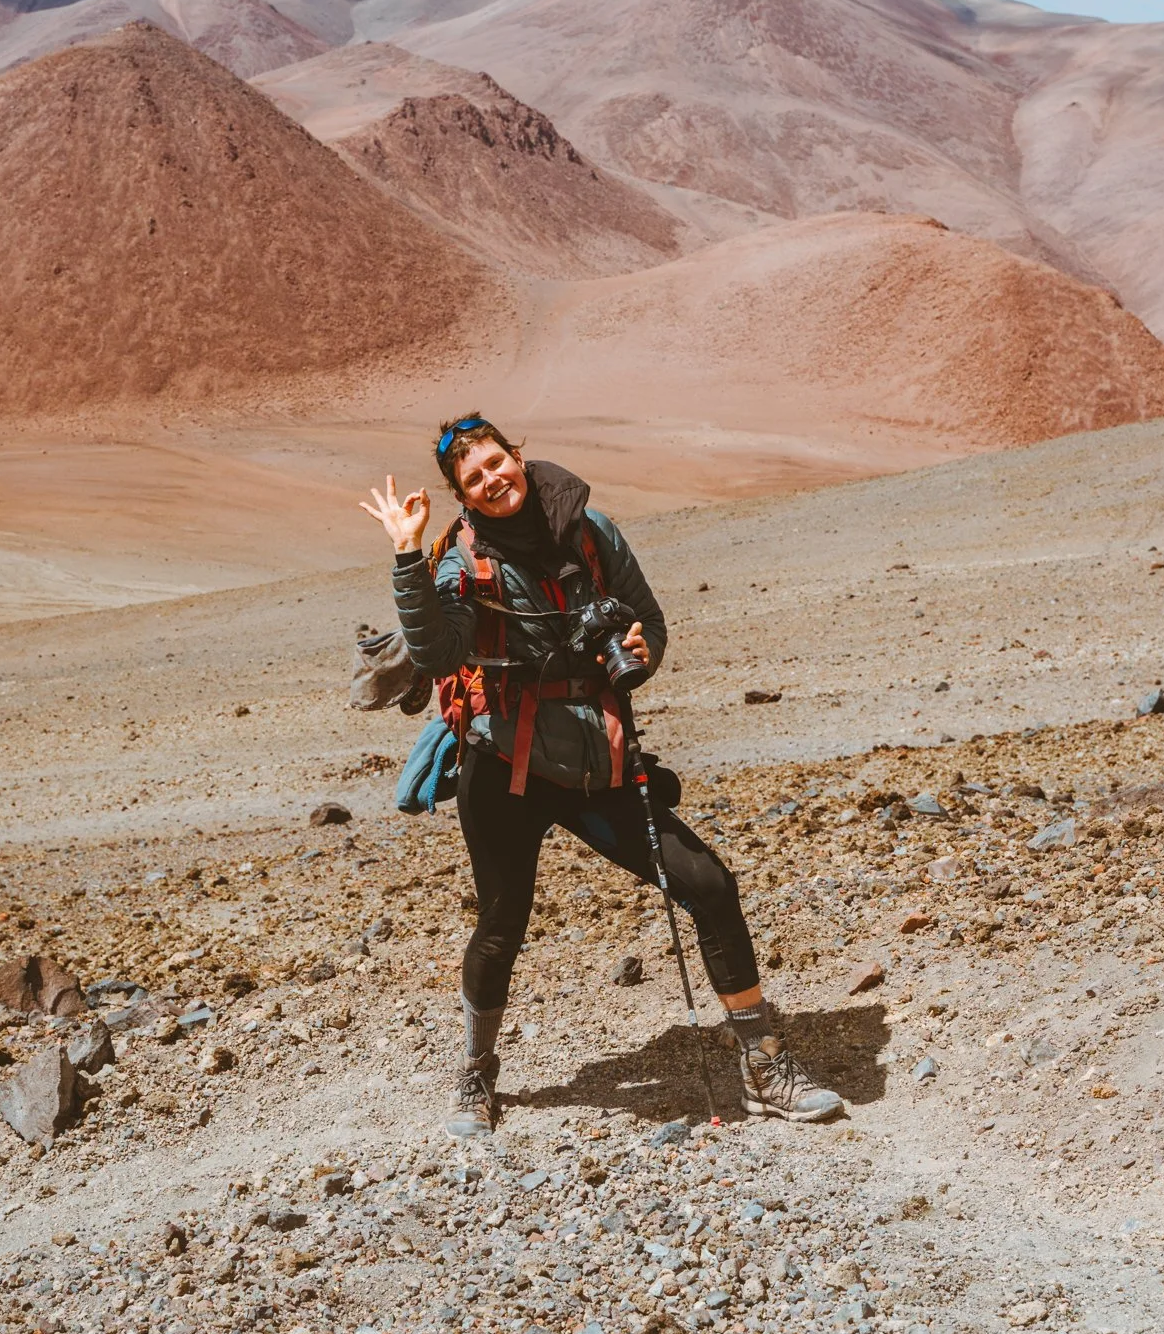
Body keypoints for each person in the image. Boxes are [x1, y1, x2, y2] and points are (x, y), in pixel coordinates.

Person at [361, 415, 844, 1138]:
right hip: (504, 768)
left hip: (597, 760)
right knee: (500, 926)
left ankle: (762, 1063)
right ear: (461, 495)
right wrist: (408, 554)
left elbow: (650, 623)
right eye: (474, 478)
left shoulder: (591, 532)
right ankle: (476, 1070)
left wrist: (641, 651)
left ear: (518, 456)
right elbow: (435, 654)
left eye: (497, 462)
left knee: (709, 885)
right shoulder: (462, 561)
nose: (492, 480)